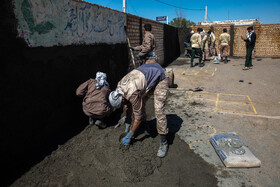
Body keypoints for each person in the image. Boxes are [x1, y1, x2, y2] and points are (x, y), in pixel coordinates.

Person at [109, 62, 169, 158]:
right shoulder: (119, 87)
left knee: (159, 110)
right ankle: (144, 125)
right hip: (146, 73)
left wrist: (130, 134)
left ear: (122, 98)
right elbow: (128, 105)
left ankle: (164, 142)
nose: (123, 105)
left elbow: (138, 116)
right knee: (141, 104)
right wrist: (128, 121)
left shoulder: (131, 93)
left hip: (160, 75)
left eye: (122, 103)